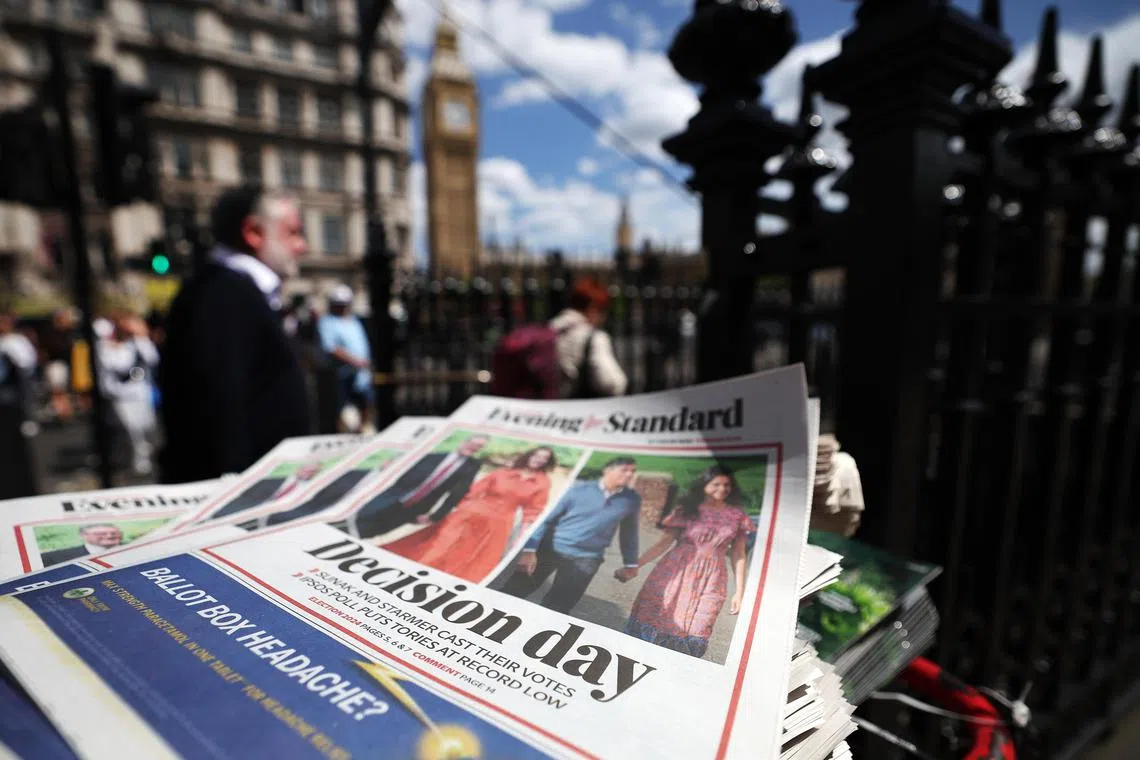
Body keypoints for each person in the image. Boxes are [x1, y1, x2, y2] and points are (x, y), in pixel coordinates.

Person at [159, 186, 310, 483]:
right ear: (254, 232)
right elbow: (219, 414)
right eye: (292, 232)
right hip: (246, 491)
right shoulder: (221, 296)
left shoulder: (234, 291)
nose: (302, 246)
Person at [621, 465, 755, 659]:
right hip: (674, 571)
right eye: (716, 484)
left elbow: (739, 554)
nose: (722, 489)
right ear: (704, 485)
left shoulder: (737, 516)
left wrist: (740, 593)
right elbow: (663, 544)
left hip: (712, 577)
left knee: (698, 625)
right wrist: (634, 565)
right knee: (657, 617)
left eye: (727, 485)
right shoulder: (688, 510)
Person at [382, 447, 556, 583]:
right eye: (537, 455)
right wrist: (463, 508)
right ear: (529, 455)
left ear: (547, 463)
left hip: (497, 526)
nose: (539, 460)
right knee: (439, 546)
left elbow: (533, 512)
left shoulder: (542, 482)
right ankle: (412, 573)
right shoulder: (503, 473)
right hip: (469, 514)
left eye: (544, 458)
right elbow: (474, 491)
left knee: (471, 560)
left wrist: (521, 541)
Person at [502, 457, 641, 614]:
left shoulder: (631, 499)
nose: (630, 474)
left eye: (633, 471)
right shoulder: (577, 489)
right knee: (512, 593)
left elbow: (629, 532)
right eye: (625, 470)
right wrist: (529, 551)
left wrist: (631, 564)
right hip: (551, 548)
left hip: (587, 558)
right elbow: (546, 520)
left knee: (558, 609)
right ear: (607, 470)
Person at [335, 435, 488, 540]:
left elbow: (458, 492)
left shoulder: (471, 466)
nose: (473, 448)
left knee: (371, 532)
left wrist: (437, 515)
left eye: (478, 447)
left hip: (414, 509)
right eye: (473, 444)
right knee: (354, 521)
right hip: (389, 497)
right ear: (464, 441)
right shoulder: (433, 455)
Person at [97, 311, 160, 476]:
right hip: (121, 396)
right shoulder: (105, 348)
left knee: (145, 426)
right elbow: (106, 372)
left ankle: (140, 455)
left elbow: (152, 358)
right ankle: (137, 461)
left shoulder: (137, 345)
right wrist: (109, 391)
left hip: (140, 394)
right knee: (130, 429)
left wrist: (140, 337)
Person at [549, 279, 627, 398]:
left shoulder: (550, 329)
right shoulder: (595, 338)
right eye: (602, 311)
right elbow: (613, 383)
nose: (603, 318)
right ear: (593, 308)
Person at [318, 284, 374, 434]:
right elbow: (331, 348)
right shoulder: (327, 322)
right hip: (342, 376)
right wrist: (354, 361)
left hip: (360, 375)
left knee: (365, 406)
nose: (342, 308)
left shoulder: (354, 321)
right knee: (341, 412)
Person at [211, 461, 324, 520]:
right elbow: (247, 494)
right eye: (308, 468)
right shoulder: (274, 479)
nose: (309, 472)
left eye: (313, 471)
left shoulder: (311, 487)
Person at [41, 308, 78, 421]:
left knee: (64, 391)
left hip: (67, 365)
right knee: (57, 391)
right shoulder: (50, 332)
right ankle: (61, 412)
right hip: (55, 364)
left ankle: (65, 412)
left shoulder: (69, 332)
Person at [40, 523, 124, 567]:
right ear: (84, 535)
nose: (109, 536)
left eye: (114, 533)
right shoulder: (52, 557)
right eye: (100, 533)